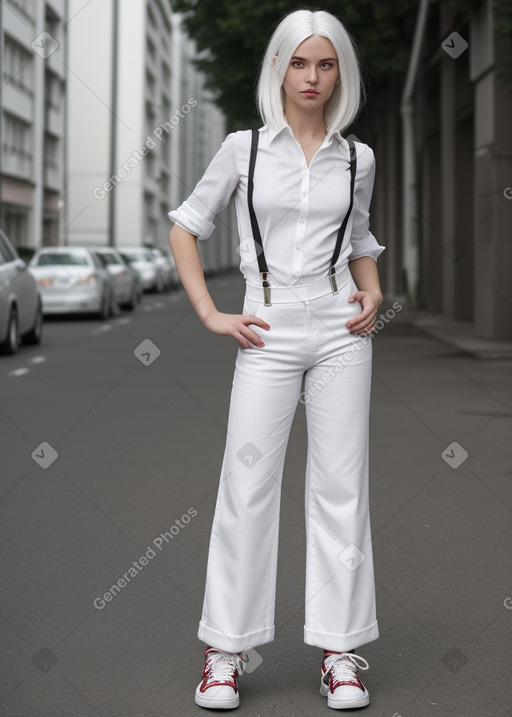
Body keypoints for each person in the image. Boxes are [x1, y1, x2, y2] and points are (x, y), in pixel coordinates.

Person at [168, 8, 385, 711]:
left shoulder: (359, 159)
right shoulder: (242, 150)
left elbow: (360, 237)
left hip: (340, 330)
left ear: (339, 72)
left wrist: (373, 292)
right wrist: (210, 312)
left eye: (325, 64)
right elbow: (185, 226)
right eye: (300, 62)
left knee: (341, 488)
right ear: (278, 68)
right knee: (247, 485)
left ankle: (340, 651)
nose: (313, 77)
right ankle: (224, 653)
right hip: (264, 327)